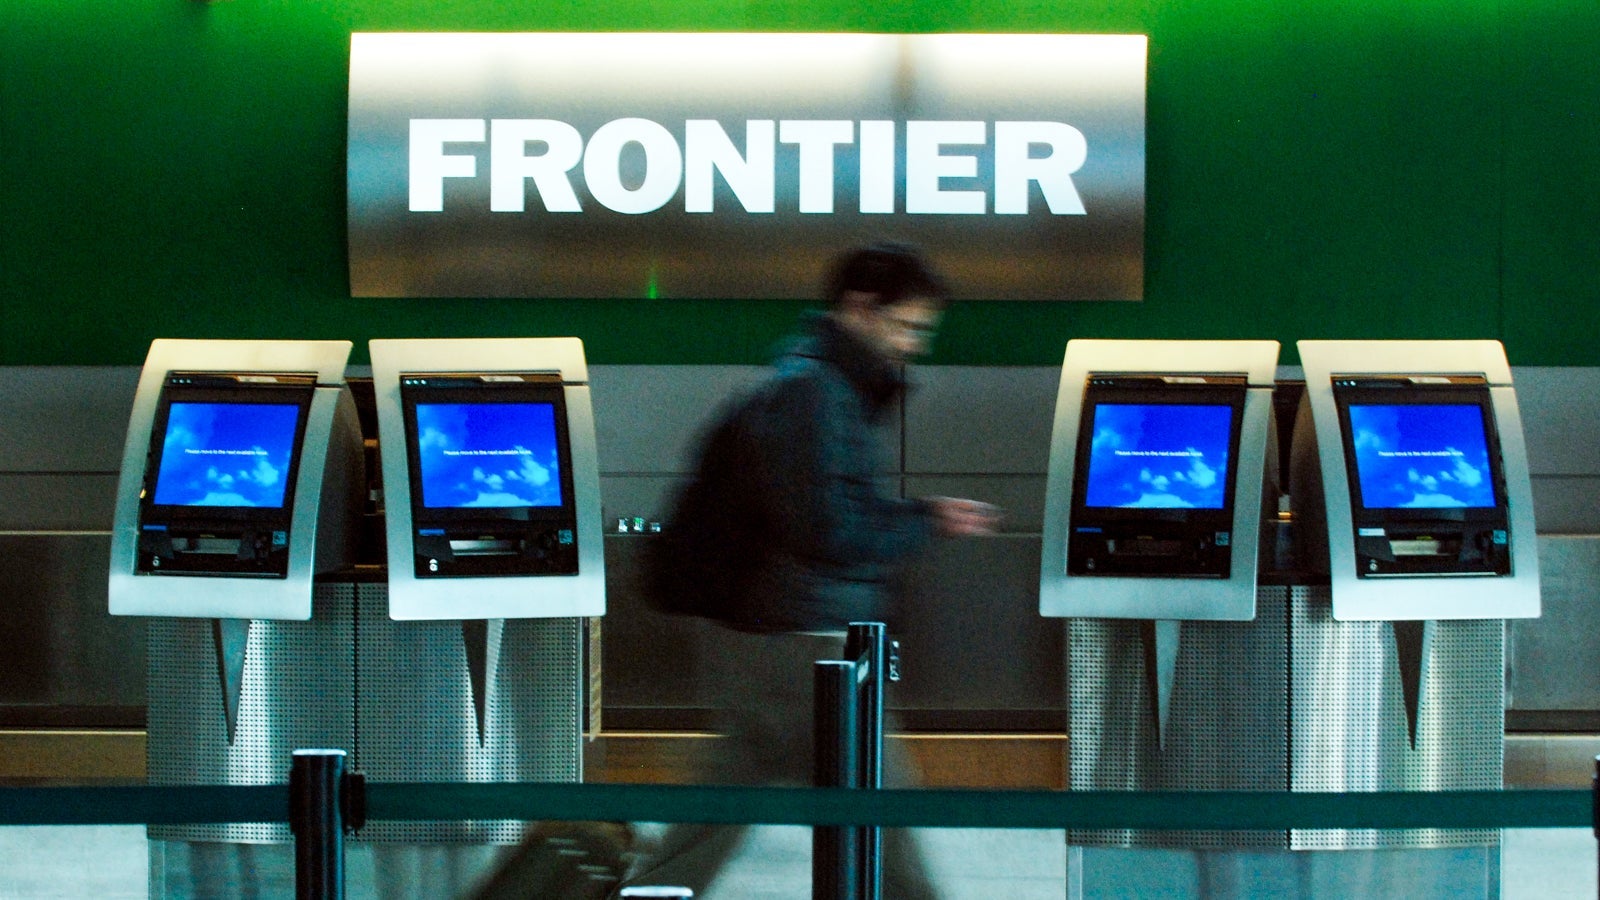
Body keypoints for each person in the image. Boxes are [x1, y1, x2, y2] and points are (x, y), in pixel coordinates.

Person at [618, 241, 1001, 898]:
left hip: (777, 634)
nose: (913, 347)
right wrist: (923, 521)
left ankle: (649, 896)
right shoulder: (812, 395)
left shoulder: (819, 386)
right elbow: (829, 530)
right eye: (906, 327)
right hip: (803, 643)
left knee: (724, 802)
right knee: (881, 811)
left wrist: (919, 514)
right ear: (860, 307)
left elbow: (828, 510)